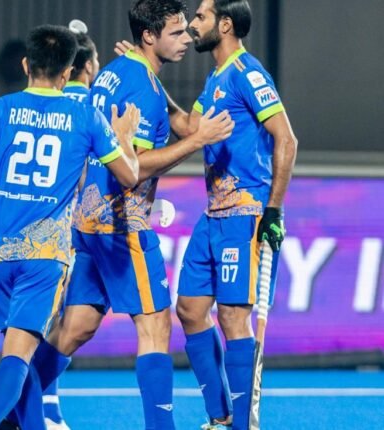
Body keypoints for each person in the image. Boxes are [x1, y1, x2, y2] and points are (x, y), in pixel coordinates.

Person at [28, 1, 235, 429]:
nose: (186, 38)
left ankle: (13, 410)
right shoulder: (141, 87)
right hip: (122, 224)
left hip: (87, 221)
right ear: (148, 36)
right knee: (156, 325)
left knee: (76, 327)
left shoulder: (116, 72)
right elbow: (134, 166)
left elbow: (158, 125)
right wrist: (198, 142)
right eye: (176, 32)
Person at [0, 24, 140, 430]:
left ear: (26, 64)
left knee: (17, 354)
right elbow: (129, 176)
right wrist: (125, 138)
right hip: (44, 254)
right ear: (68, 72)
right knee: (18, 359)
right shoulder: (86, 116)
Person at [173, 1, 297, 429]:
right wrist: (148, 78)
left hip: (246, 214)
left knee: (232, 317)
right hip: (213, 214)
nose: (193, 24)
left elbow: (286, 139)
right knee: (190, 309)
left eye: (201, 16)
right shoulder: (214, 77)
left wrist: (273, 209)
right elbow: (190, 128)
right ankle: (221, 418)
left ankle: (242, 424)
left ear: (224, 25)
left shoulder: (248, 72)